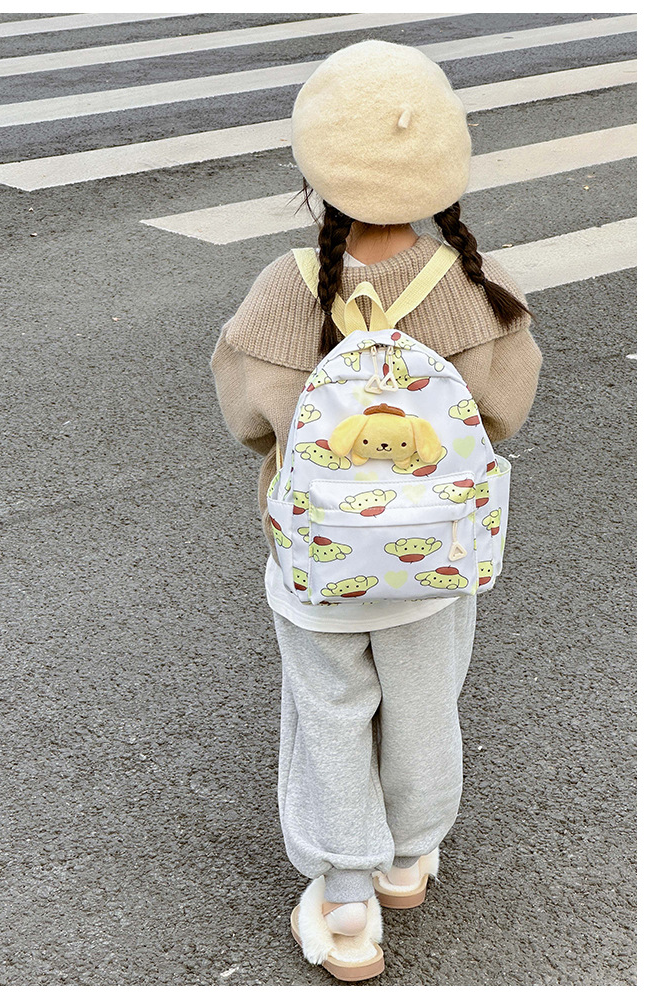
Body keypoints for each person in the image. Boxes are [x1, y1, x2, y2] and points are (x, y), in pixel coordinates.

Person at [210, 40, 542, 982]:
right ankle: (407, 861)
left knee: (328, 710)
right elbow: (504, 414)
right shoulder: (478, 287)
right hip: (434, 564)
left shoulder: (284, 291)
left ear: (317, 168)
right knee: (426, 706)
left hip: (317, 562)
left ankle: (346, 900)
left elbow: (246, 418)